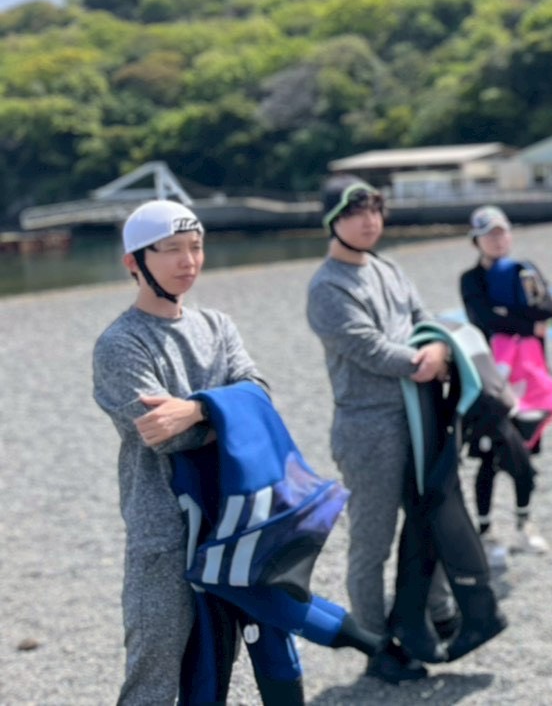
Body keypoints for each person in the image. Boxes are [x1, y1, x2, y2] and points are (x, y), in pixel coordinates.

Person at [92, 200, 269, 705]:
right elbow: (160, 435)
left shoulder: (217, 325)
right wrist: (228, 417)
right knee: (156, 660)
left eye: (195, 247)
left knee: (218, 656)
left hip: (230, 512)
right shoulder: (120, 343)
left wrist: (194, 411)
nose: (188, 260)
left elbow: (260, 394)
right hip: (161, 524)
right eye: (170, 250)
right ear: (133, 262)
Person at [305, 175, 456, 685]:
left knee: (426, 519)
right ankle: (374, 643)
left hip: (416, 414)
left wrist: (436, 348)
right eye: (355, 212)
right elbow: (366, 348)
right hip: (367, 427)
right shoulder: (327, 285)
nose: (369, 221)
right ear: (333, 221)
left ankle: (433, 614)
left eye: (375, 210)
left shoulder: (389, 267)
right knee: (371, 541)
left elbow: (424, 316)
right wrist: (424, 359)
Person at [459, 204, 552, 559]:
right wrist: (527, 324)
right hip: (491, 383)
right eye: (490, 234)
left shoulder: (525, 270)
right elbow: (483, 318)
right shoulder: (471, 280)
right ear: (477, 240)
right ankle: (485, 531)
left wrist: (510, 317)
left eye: (502, 232)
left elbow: (548, 309)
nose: (498, 239)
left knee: (525, 457)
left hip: (529, 380)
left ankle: (524, 524)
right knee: (489, 457)